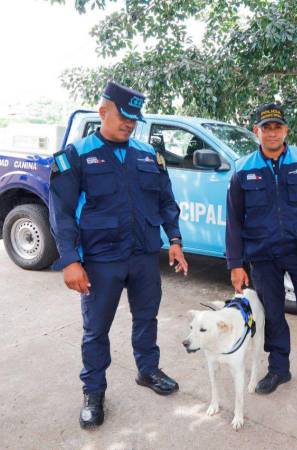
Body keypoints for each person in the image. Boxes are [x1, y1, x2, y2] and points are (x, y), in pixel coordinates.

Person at [49, 81, 188, 429]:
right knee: (96, 330)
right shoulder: (76, 156)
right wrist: (70, 260)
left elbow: (166, 201)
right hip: (100, 261)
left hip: (143, 256)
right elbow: (61, 213)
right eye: (124, 116)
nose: (129, 124)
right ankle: (93, 392)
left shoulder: (148, 155)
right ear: (103, 111)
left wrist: (174, 239)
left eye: (134, 118)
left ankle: (148, 370)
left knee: (147, 318)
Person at [225, 103, 297, 413]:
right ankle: (279, 369)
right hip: (263, 255)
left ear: (286, 130)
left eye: (277, 127)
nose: (272, 133)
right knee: (273, 315)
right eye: (266, 128)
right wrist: (235, 264)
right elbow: (234, 220)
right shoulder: (242, 168)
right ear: (256, 132)